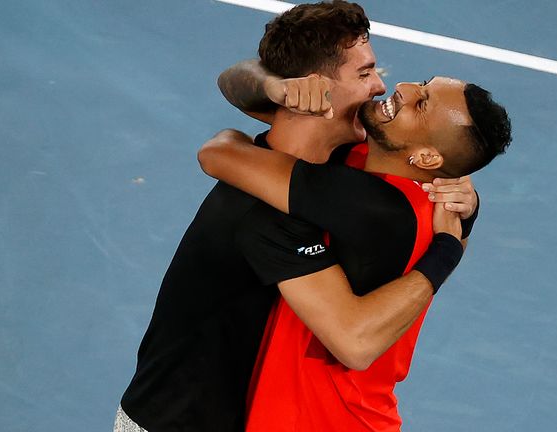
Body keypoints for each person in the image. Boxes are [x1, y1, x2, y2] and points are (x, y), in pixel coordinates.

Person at [115, 2, 482, 430]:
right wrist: (446, 250)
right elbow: (355, 340)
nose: (380, 88)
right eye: (364, 74)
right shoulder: (267, 214)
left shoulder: (329, 160)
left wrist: (464, 201)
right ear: (315, 93)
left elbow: (230, 108)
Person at [199, 71, 511, 430]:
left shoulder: (369, 208)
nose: (403, 88)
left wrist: (233, 135)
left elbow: (216, 155)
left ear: (426, 158)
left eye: (422, 104)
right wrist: (278, 89)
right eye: (423, 84)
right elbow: (242, 90)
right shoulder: (379, 164)